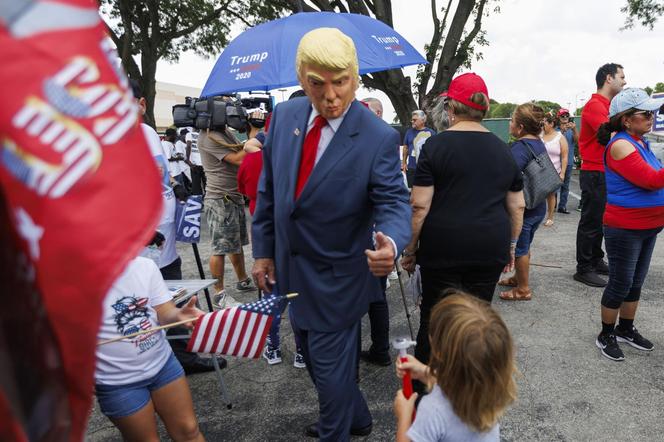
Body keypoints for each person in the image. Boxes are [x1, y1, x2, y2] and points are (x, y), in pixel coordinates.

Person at [251, 28, 411, 441]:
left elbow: (394, 202)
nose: (330, 95)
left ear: (355, 77)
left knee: (328, 370)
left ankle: (336, 428)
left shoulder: (377, 137)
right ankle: (355, 417)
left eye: (340, 82)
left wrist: (391, 243)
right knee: (315, 359)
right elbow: (270, 191)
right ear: (302, 77)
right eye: (317, 83)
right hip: (289, 272)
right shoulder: (284, 117)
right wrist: (263, 252)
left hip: (339, 279)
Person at [399, 73, 524, 392]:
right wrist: (511, 245)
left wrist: (410, 249)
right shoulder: (503, 149)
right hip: (489, 248)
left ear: (451, 106)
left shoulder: (435, 146)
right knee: (478, 319)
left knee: (435, 318)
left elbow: (419, 207)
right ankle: (467, 388)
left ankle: (427, 391)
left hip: (444, 248)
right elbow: (517, 206)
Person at [95, 256, 205, 442]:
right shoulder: (69, 282)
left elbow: (163, 311)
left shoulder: (143, 265)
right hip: (117, 381)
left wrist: (179, 315)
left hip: (164, 366)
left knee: (189, 430)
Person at [593, 88, 664, 361]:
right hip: (625, 228)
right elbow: (651, 179)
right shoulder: (622, 144)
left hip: (647, 227)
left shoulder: (640, 142)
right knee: (621, 283)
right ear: (626, 119)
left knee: (636, 282)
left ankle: (625, 328)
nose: (651, 117)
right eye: (646, 114)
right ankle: (606, 334)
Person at [393, 292, 516, 442]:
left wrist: (404, 416)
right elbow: (460, 382)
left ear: (438, 351)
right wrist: (423, 372)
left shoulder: (432, 410)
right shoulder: (491, 390)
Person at [198, 107, 255, 308]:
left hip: (232, 196)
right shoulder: (208, 136)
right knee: (220, 247)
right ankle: (219, 293)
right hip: (219, 199)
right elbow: (238, 158)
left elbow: (239, 148)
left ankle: (242, 280)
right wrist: (257, 135)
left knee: (235, 244)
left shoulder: (223, 132)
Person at [574, 63, 626, 288]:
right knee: (591, 220)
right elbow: (612, 135)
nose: (625, 81)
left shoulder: (607, 105)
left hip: (602, 170)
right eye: (621, 77)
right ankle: (583, 268)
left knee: (599, 219)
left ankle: (595, 259)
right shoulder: (596, 105)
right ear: (608, 78)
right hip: (594, 171)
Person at [499, 103, 548, 301]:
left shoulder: (520, 148)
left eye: (512, 121)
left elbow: (509, 175)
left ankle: (523, 289)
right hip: (538, 205)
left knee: (520, 250)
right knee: (526, 247)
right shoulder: (537, 142)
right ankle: (518, 278)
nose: (510, 124)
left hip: (525, 209)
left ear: (520, 127)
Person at [541, 112, 568, 227]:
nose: (542, 125)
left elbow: (564, 156)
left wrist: (562, 173)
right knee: (537, 194)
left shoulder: (560, 137)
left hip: (554, 171)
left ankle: (550, 217)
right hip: (539, 171)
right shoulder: (539, 135)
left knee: (551, 194)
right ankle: (536, 216)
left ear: (551, 124)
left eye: (544, 123)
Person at [402, 110, 435, 188]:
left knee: (426, 190)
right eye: (412, 120)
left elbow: (434, 151)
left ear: (423, 120)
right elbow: (405, 148)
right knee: (411, 190)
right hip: (411, 168)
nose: (412, 121)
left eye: (415, 120)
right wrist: (404, 163)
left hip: (426, 168)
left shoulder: (431, 133)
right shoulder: (409, 132)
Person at [556, 108, 578, 214]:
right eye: (562, 116)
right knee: (554, 185)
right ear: (558, 118)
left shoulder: (572, 129)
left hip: (568, 161)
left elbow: (577, 141)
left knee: (566, 185)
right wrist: (562, 131)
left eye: (566, 116)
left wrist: (574, 129)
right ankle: (553, 204)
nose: (565, 118)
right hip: (556, 161)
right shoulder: (555, 130)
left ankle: (562, 206)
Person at [185, 128, 206, 196]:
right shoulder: (203, 135)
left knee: (196, 185)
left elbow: (188, 146)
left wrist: (187, 159)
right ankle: (208, 201)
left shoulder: (189, 134)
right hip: (204, 163)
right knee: (207, 184)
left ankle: (198, 201)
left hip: (195, 164)